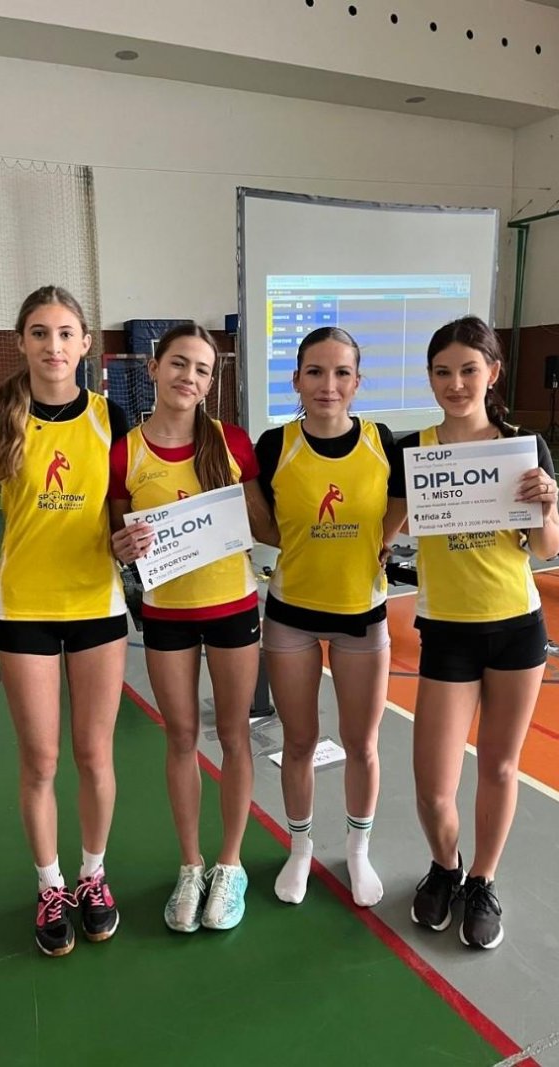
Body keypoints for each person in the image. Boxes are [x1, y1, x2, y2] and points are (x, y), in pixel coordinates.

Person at [0, 285, 130, 957]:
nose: (53, 345)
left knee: (94, 754)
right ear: (20, 342)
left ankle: (93, 876)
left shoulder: (112, 419)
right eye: (39, 332)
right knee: (41, 760)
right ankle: (50, 884)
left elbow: (124, 513)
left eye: (64, 333)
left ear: (85, 343)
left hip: (97, 608)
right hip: (24, 610)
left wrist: (133, 539)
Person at [388, 315, 559, 950]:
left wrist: (547, 505)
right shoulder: (413, 451)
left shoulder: (524, 448)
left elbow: (546, 548)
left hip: (517, 628)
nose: (456, 383)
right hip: (447, 633)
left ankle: (483, 879)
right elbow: (383, 530)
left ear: (493, 373)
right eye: (443, 372)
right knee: (434, 789)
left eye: (469, 369)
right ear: (430, 377)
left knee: (499, 766)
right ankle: (446, 866)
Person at [108, 323, 270, 933]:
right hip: (166, 616)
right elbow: (116, 538)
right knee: (180, 738)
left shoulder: (232, 443)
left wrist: (244, 502)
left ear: (210, 382)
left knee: (233, 736)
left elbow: (266, 526)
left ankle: (230, 864)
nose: (189, 377)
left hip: (233, 608)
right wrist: (121, 545)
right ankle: (191, 864)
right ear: (153, 369)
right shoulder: (125, 453)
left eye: (202, 369)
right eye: (179, 363)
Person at [254, 326, 405, 908]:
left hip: (361, 615)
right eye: (315, 372)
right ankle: (299, 848)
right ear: (296, 380)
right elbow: (261, 521)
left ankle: (358, 850)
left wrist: (382, 542)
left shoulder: (382, 442)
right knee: (299, 741)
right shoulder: (276, 445)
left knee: (361, 742)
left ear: (358, 381)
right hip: (291, 615)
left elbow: (401, 503)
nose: (328, 384)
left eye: (342, 372)